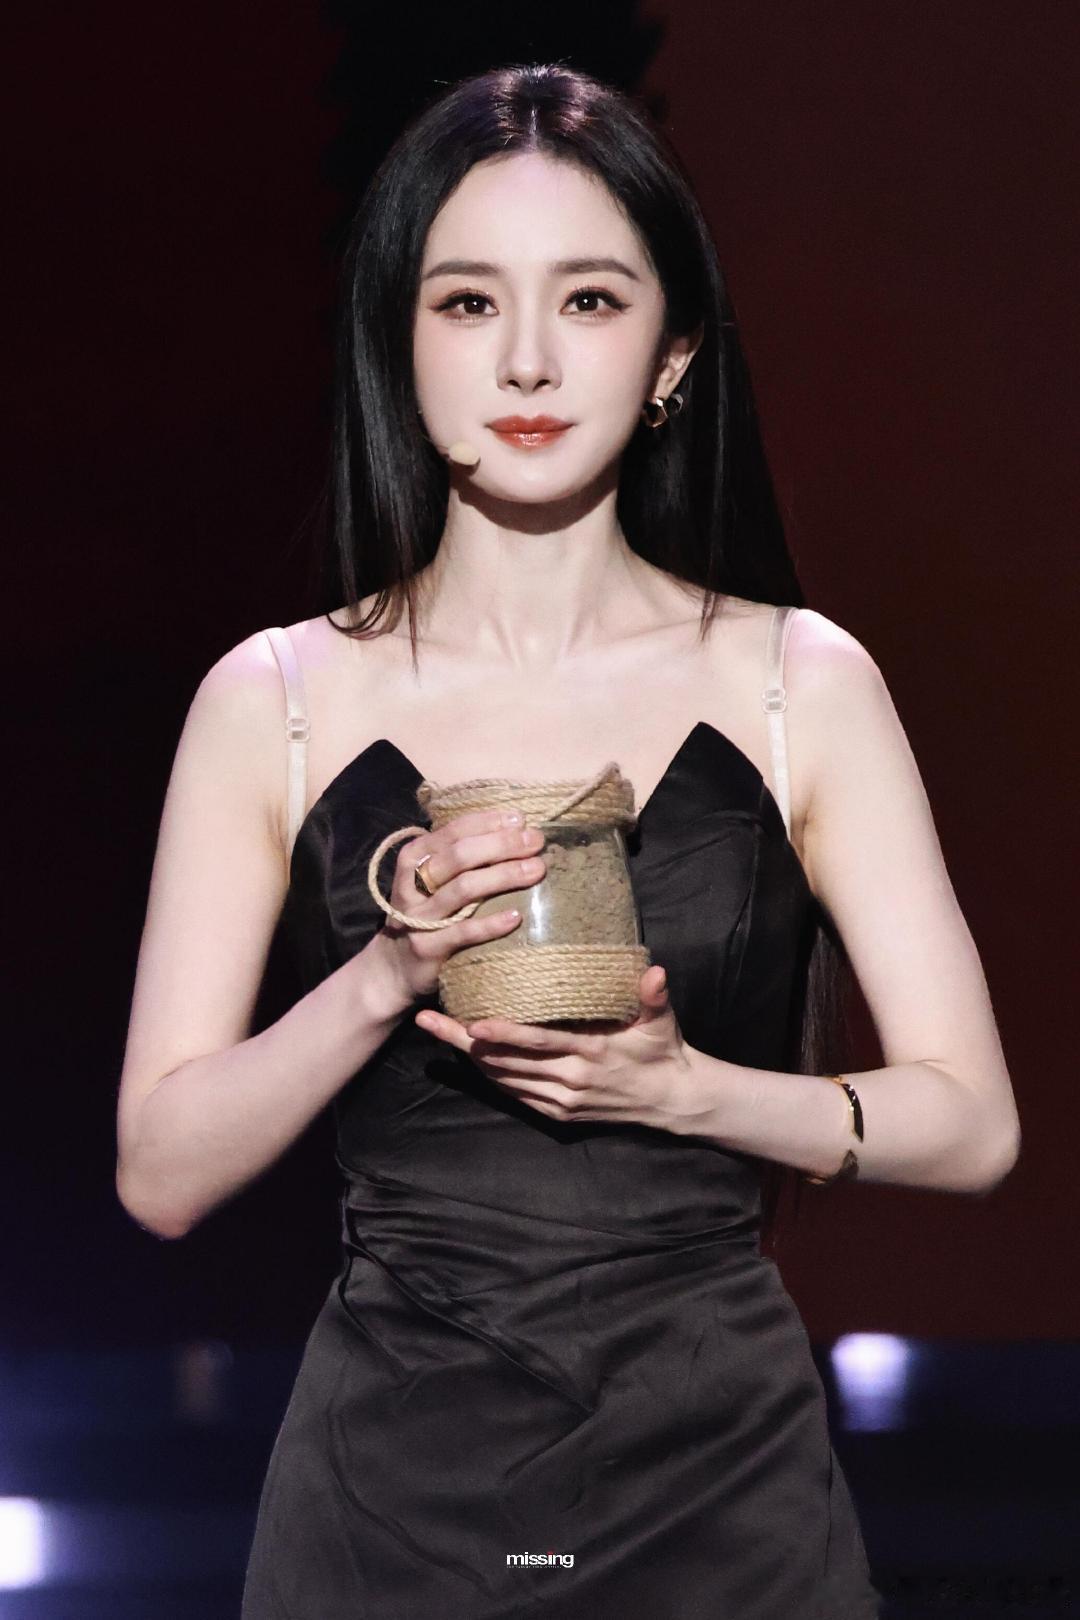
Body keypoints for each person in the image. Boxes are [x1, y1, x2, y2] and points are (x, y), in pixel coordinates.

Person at [114, 62, 1021, 1620]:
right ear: (399, 341)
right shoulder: (274, 699)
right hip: (388, 1502)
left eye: (589, 301)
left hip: (725, 1493)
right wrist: (386, 975)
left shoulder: (801, 685)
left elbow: (973, 1121)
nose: (526, 357)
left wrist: (691, 1093)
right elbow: (161, 1171)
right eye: (468, 303)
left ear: (673, 354)